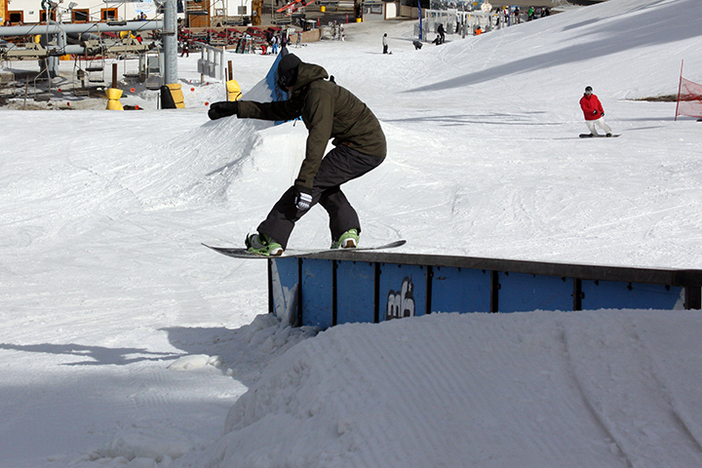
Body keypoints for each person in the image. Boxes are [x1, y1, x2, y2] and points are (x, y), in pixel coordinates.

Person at [207, 53, 387, 256]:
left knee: (310, 185)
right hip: (363, 146)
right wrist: (237, 108)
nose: (285, 90)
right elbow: (279, 110)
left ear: (288, 79)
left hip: (362, 148)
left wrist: (304, 182)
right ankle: (345, 233)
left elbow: (318, 137)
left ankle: (271, 238)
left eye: (284, 85)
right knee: (323, 185)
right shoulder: (308, 91)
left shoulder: (319, 93)